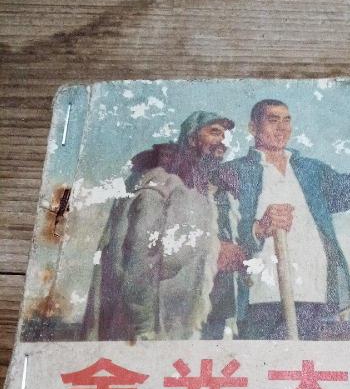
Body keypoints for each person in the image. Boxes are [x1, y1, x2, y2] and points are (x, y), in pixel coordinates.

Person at [216, 99, 350, 340]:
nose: (281, 128)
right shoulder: (232, 173)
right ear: (253, 128)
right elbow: (221, 235)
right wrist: (260, 228)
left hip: (314, 292)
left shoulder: (311, 171)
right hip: (261, 296)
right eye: (273, 120)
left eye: (286, 120)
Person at [82, 111, 246, 341]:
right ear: (192, 138)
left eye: (225, 135)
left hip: (201, 317)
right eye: (214, 132)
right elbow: (140, 252)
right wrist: (143, 326)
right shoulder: (161, 180)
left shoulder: (210, 186)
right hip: (157, 321)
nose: (222, 141)